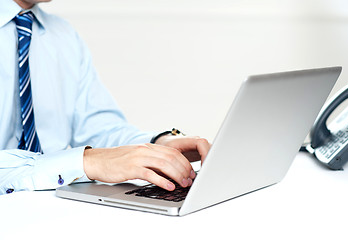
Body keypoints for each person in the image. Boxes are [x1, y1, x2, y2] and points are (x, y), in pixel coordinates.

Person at [0, 0, 211, 195]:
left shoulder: (63, 35)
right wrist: (87, 162)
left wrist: (156, 145)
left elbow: (97, 129)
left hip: (50, 208)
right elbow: (96, 160)